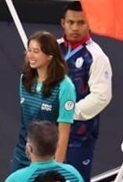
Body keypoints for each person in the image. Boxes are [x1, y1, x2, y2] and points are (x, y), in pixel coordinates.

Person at [59, 0, 113, 182]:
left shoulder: (96, 57)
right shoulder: (52, 49)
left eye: (81, 22)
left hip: (79, 135)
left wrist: (68, 113)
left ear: (89, 24)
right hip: (50, 134)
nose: (75, 27)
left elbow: (101, 97)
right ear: (63, 23)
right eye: (70, 22)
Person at [11, 31, 77, 172]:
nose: (31, 56)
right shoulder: (25, 79)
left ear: (49, 56)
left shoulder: (65, 86)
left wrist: (56, 168)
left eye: (36, 51)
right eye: (29, 50)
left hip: (48, 158)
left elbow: (64, 132)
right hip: (22, 154)